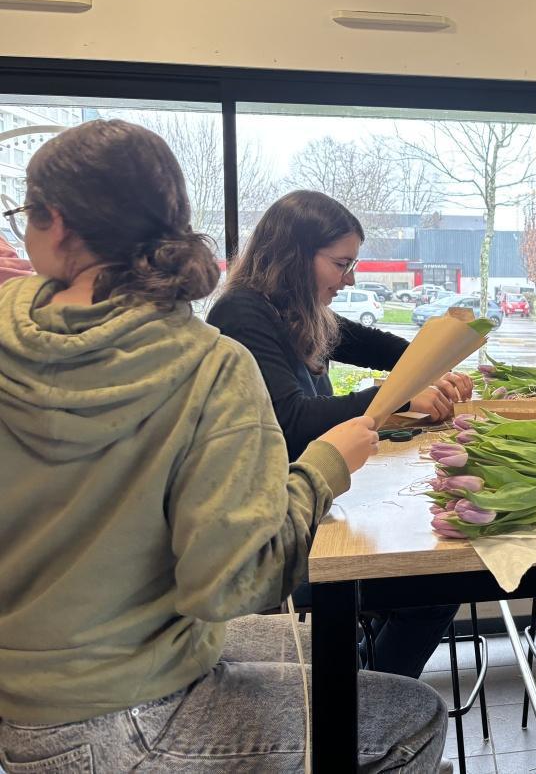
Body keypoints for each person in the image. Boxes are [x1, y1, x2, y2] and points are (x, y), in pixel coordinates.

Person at [0, 120, 446, 772]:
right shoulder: (209, 361)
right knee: (410, 717)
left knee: (321, 650)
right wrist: (322, 470)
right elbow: (232, 581)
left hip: (26, 696)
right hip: (128, 708)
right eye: (341, 263)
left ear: (57, 224)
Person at [207, 190, 472, 679]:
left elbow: (382, 348)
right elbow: (293, 421)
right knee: (434, 588)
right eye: (341, 263)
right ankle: (368, 710)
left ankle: (363, 694)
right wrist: (395, 399)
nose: (349, 278)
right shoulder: (243, 314)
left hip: (309, 513)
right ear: (293, 256)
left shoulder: (296, 311)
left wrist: (434, 365)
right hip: (270, 539)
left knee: (432, 583)